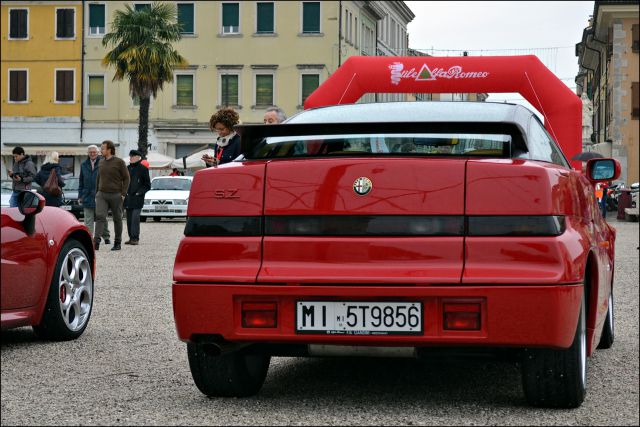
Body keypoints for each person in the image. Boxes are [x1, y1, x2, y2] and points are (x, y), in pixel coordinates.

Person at [94, 140, 130, 251]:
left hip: (116, 195)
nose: (101, 150)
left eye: (103, 148)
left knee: (117, 219)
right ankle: (96, 242)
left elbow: (127, 178)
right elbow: (98, 178)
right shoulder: (100, 162)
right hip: (102, 195)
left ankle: (117, 242)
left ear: (109, 149)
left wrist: (123, 194)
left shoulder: (119, 162)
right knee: (100, 216)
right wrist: (97, 193)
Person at [78, 145, 111, 244]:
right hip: (87, 195)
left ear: (98, 153)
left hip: (100, 195)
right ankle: (89, 238)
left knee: (102, 218)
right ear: (88, 153)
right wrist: (80, 195)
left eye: (94, 152)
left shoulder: (103, 163)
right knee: (88, 219)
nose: (92, 154)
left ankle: (106, 236)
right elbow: (81, 181)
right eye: (90, 152)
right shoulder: (83, 164)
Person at [124, 150, 151, 245]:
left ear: (138, 157)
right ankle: (131, 237)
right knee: (129, 219)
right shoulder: (126, 168)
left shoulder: (143, 169)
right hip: (127, 198)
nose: (130, 157)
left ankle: (135, 238)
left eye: (133, 156)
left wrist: (139, 193)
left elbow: (147, 185)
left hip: (137, 198)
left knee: (135, 218)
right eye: (130, 156)